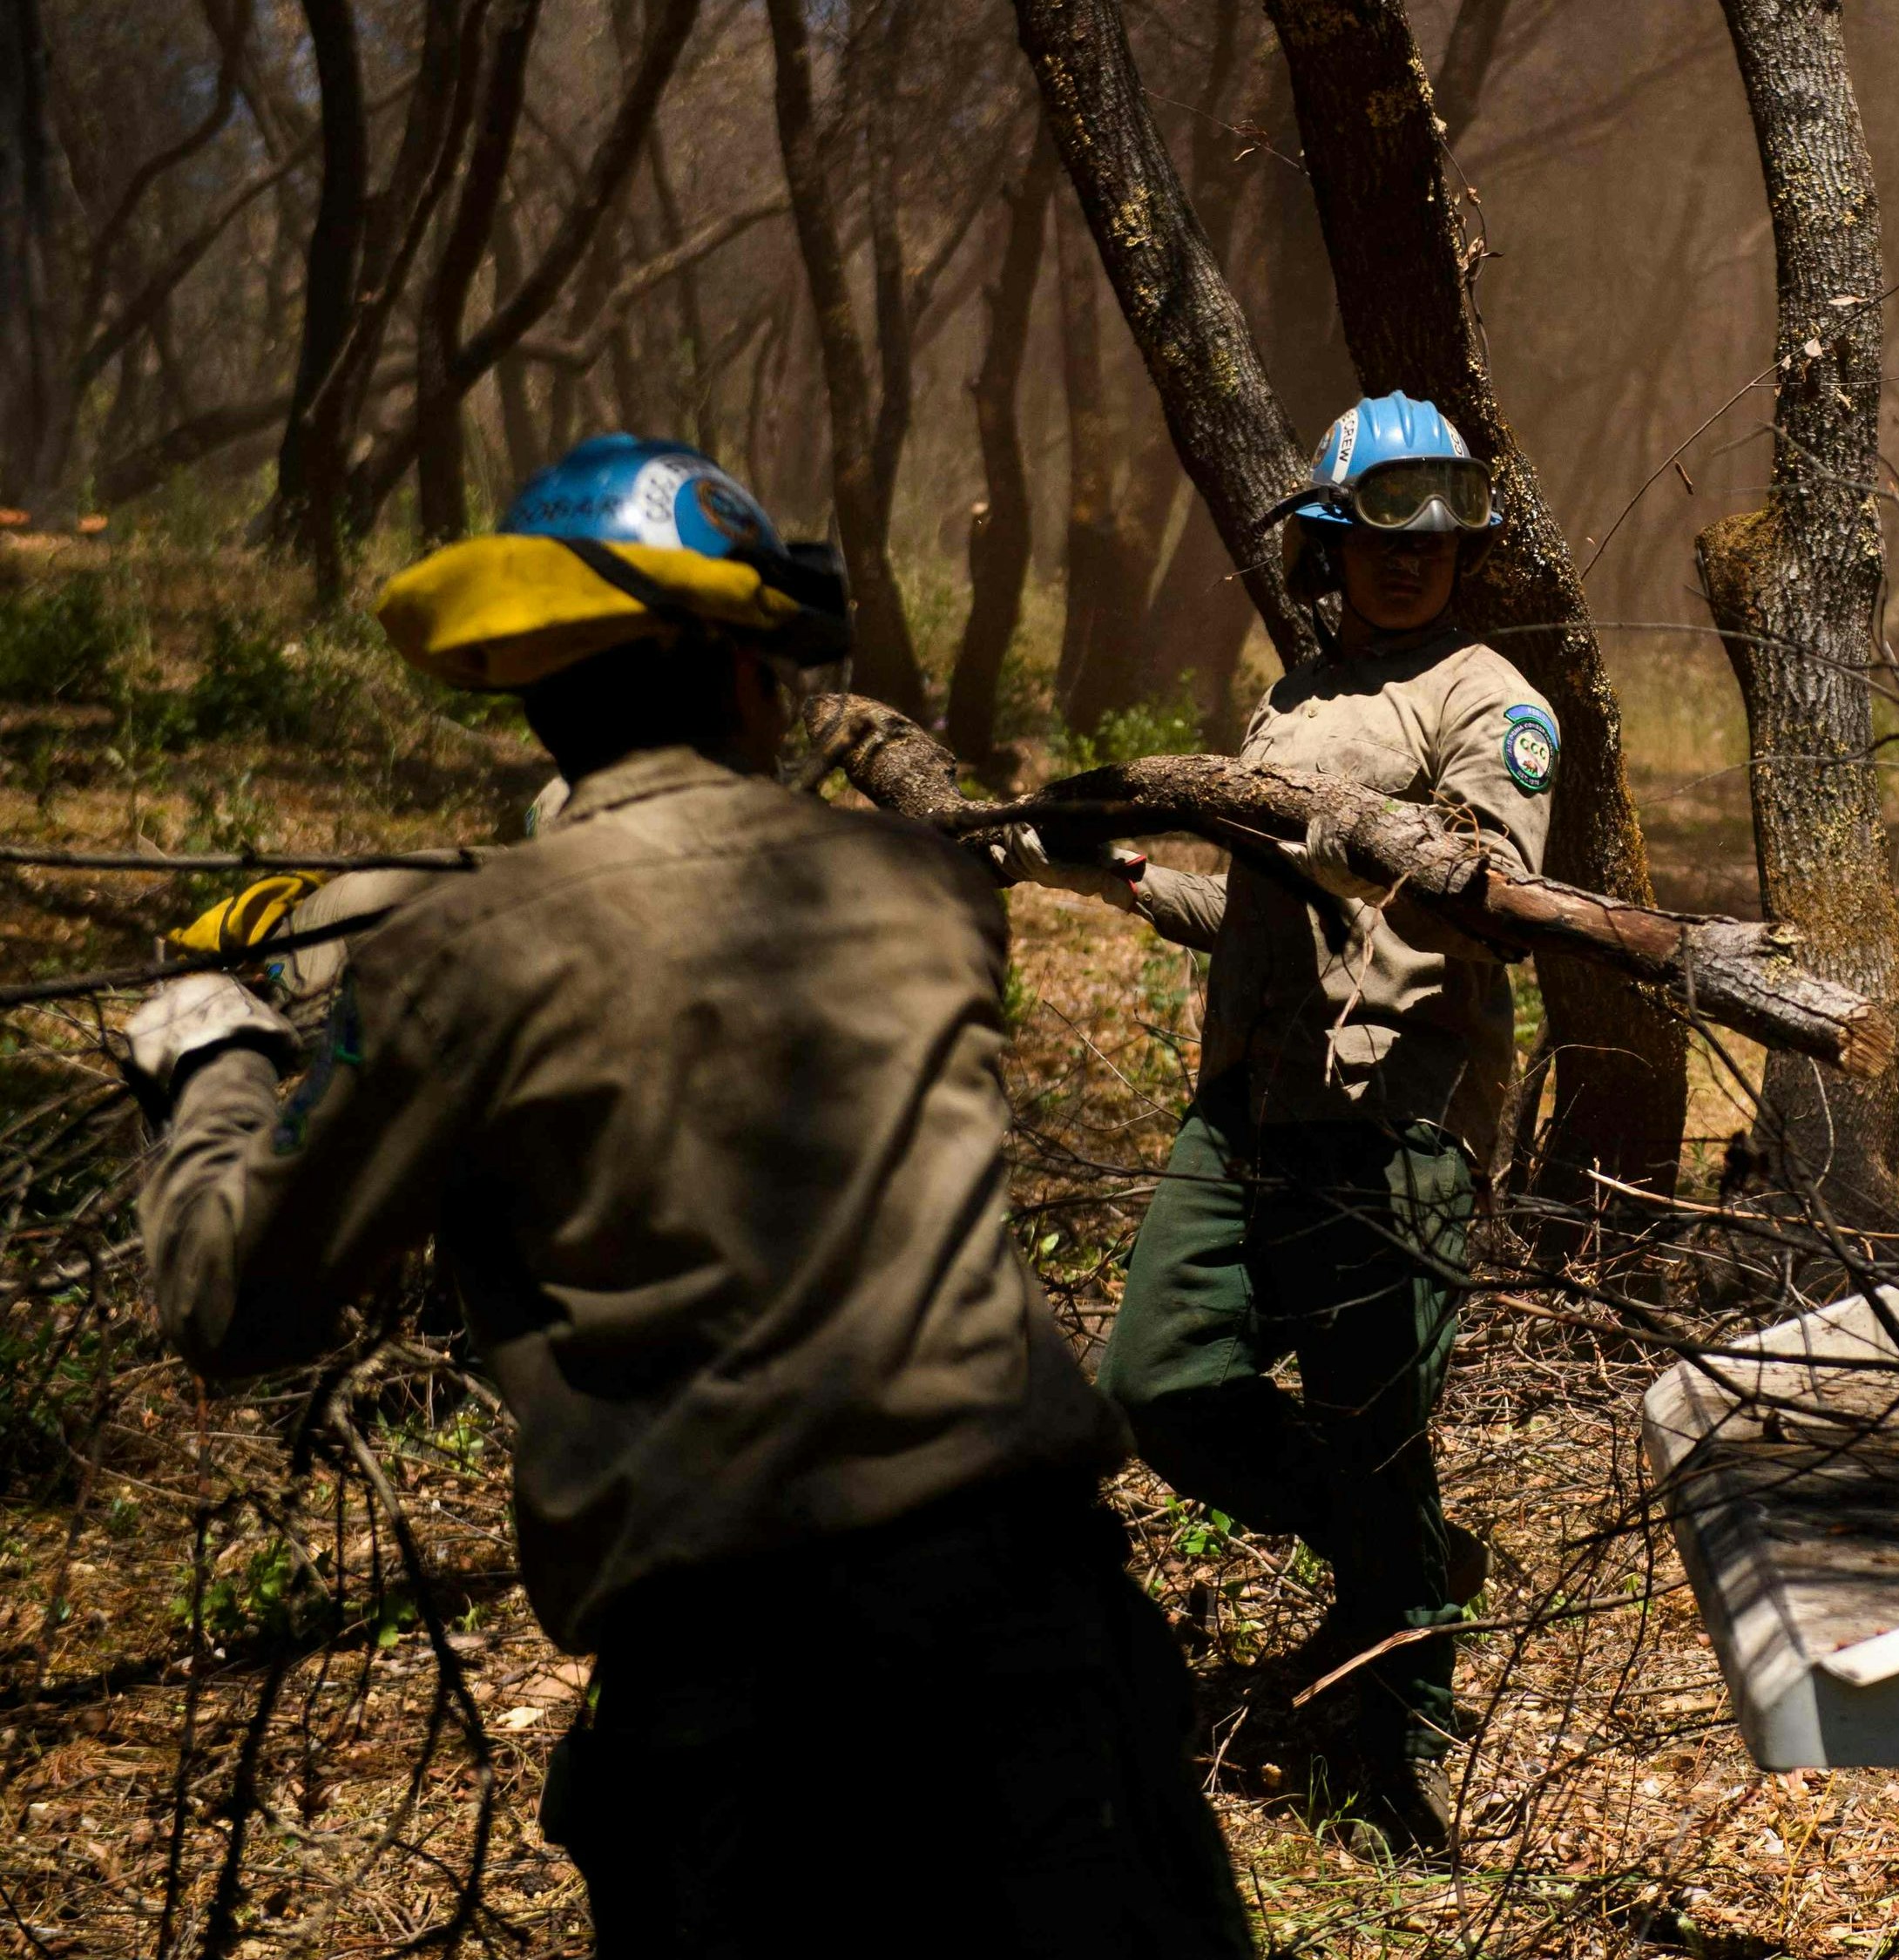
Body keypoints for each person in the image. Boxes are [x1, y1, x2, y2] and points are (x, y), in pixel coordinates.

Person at [122, 435, 1256, 1958]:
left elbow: (224, 1298)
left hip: (745, 1712)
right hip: (1043, 1645)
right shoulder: (929, 897)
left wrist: (219, 1046)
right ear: (740, 676)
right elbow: (673, 915)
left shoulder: (460, 958)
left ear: (535, 684)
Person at [1010, 394, 1554, 1857]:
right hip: (1249, 1110)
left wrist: (1364, 838)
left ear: (1465, 549)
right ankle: (1412, 1561)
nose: (1409, 560)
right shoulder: (1299, 693)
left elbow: (1488, 905)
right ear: (1329, 538)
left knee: (1379, 1442)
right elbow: (1261, 914)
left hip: (1397, 1128)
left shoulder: (1490, 701)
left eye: (1437, 534)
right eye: (1381, 529)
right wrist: (1120, 876)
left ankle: (1391, 1759)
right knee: (1156, 1381)